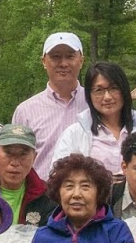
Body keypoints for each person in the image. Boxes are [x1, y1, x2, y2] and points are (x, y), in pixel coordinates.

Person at [52, 61, 136, 181]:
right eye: (99, 90)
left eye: (114, 88)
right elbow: (57, 177)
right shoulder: (74, 134)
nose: (107, 97)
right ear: (89, 95)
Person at [12, 32, 87, 182]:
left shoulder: (95, 104)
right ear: (44, 61)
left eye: (70, 56)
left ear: (81, 61)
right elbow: (16, 158)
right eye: (55, 56)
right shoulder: (26, 111)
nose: (63, 63)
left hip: (87, 196)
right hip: (40, 197)